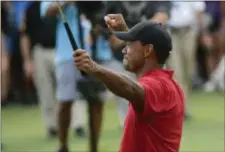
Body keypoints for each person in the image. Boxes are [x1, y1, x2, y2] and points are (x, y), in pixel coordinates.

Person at [73, 14, 185, 152]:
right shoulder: (166, 83)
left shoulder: (160, 86)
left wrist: (95, 69)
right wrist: (127, 32)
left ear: (148, 50)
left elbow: (130, 88)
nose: (124, 50)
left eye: (130, 45)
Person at [102, 1, 172, 127]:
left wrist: (129, 35)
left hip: (150, 64)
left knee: (153, 116)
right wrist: (137, 36)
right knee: (130, 120)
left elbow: (161, 19)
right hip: (122, 63)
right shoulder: (114, 3)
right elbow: (115, 41)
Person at [167, 2, 206, 119]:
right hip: (170, 32)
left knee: (188, 72)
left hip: (189, 32)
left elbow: (199, 10)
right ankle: (178, 108)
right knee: (176, 72)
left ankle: (183, 106)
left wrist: (204, 34)